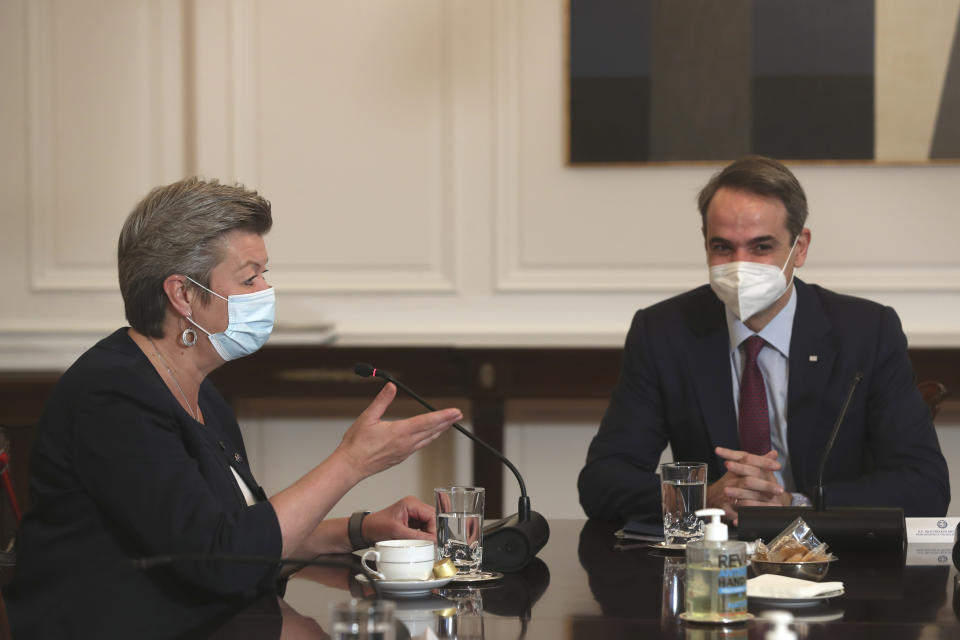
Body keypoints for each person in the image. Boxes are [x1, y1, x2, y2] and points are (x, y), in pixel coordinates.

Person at [3, 178, 464, 637]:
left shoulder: (198, 390)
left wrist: (361, 531)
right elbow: (218, 564)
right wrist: (352, 461)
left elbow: (243, 541)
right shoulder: (111, 397)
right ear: (182, 295)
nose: (266, 290)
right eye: (249, 277)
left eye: (264, 274)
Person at [578, 156, 950, 525]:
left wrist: (796, 504)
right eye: (723, 247)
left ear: (800, 248)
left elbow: (925, 486)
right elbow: (602, 481)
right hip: (712, 564)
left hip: (836, 562)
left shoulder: (867, 332)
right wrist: (701, 497)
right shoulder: (664, 332)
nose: (741, 265)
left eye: (761, 247)